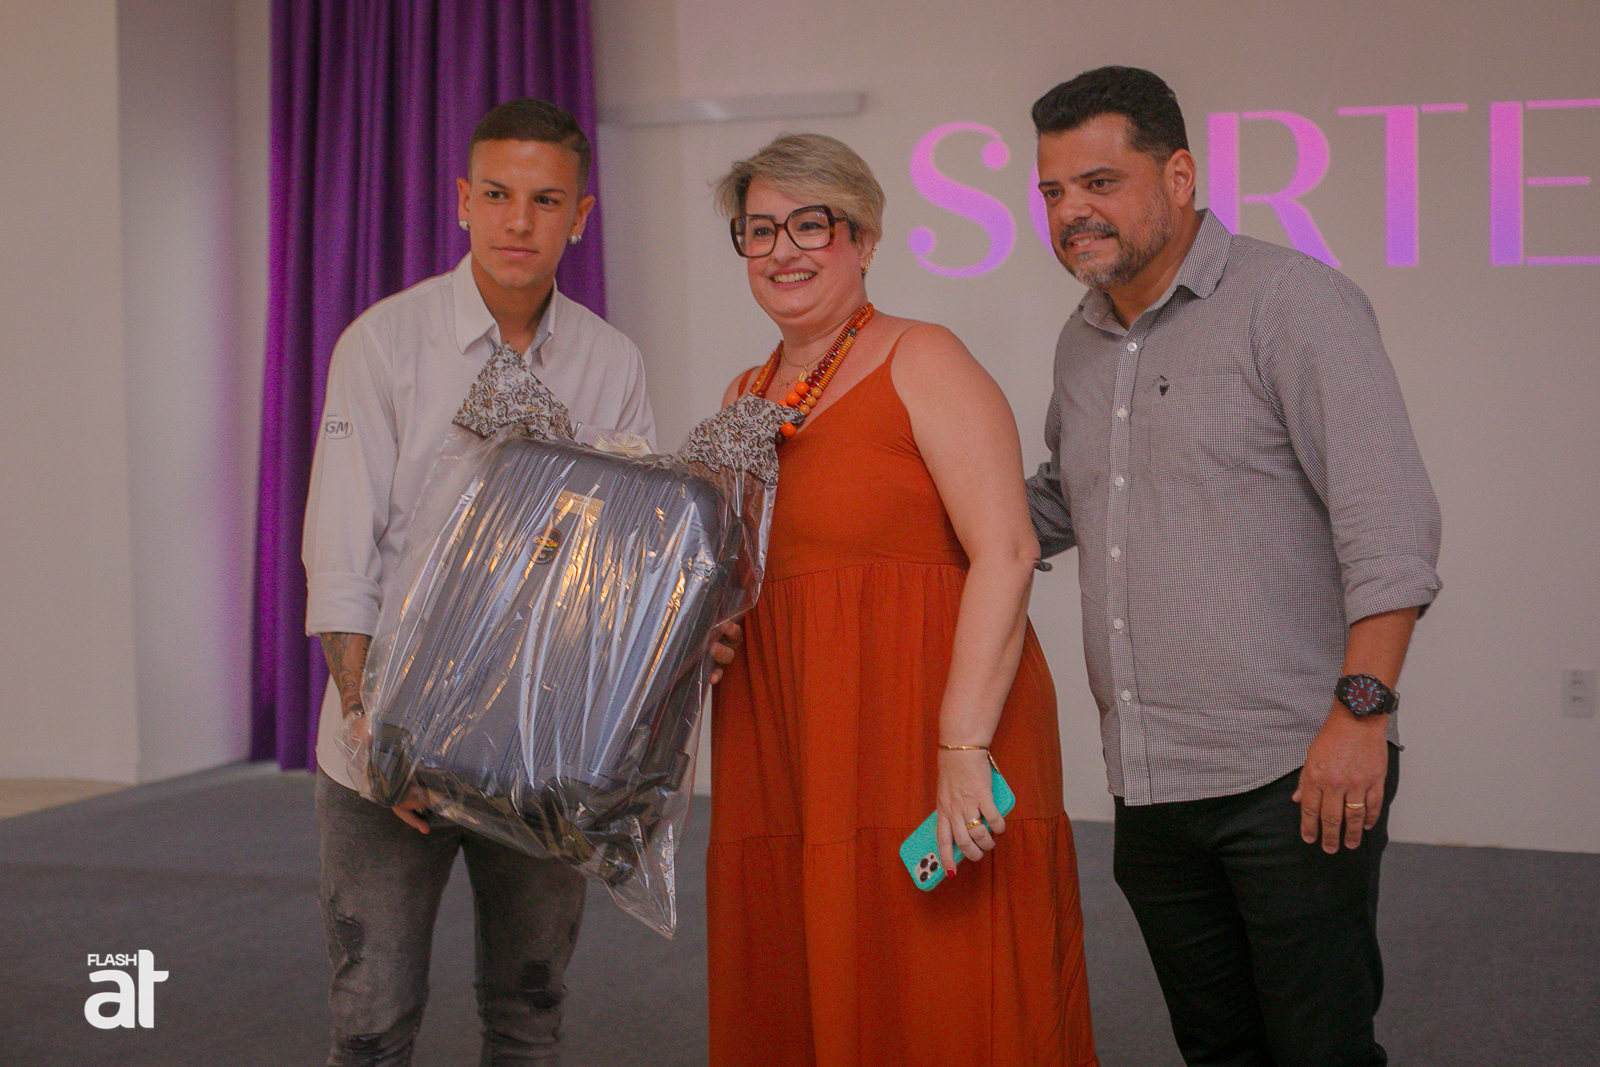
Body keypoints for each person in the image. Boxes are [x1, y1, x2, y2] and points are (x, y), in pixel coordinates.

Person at [1025, 67, 1442, 1067]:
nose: (1072, 211)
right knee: (1216, 1047)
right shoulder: (1083, 340)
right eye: (1052, 191)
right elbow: (1062, 499)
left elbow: (1390, 524)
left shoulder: (1291, 301)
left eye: (1099, 182)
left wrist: (1360, 717)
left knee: (1320, 1048)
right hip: (1150, 778)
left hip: (1292, 774)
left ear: (1178, 176)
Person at [706, 133, 1099, 1067]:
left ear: (865, 237)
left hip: (927, 725)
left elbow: (1007, 550)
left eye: (811, 224)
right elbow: (749, 571)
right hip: (792, 736)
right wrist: (710, 625)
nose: (783, 250)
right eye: (759, 229)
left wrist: (962, 746)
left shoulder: (923, 357)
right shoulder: (744, 395)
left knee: (943, 983)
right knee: (812, 962)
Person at [302, 98, 656, 1067]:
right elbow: (342, 548)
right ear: (462, 200)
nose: (518, 222)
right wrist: (372, 729)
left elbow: (622, 562)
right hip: (387, 740)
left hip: (539, 747)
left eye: (545, 200)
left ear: (580, 215)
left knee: (529, 1015)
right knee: (371, 1022)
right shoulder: (383, 342)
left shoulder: (611, 360)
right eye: (497, 195)